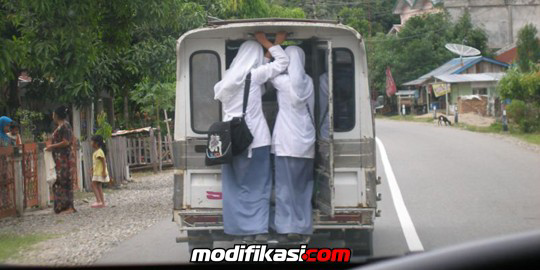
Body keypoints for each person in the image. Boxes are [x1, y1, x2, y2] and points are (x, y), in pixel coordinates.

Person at [213, 31, 289, 243]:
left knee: (235, 188)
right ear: (255, 58)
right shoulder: (255, 77)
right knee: (259, 186)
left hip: (231, 141)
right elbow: (283, 62)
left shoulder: (228, 78)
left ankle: (242, 231)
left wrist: (264, 53)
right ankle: (259, 230)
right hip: (256, 141)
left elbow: (253, 91)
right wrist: (270, 43)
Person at [269, 46, 316, 243]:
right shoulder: (309, 82)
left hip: (286, 141)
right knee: (303, 187)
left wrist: (273, 48)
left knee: (284, 188)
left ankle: (287, 226)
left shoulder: (283, 82)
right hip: (306, 141)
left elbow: (268, 70)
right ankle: (303, 224)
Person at [45, 106, 77, 214]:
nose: (52, 116)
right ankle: (61, 206)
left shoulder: (65, 126)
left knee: (65, 181)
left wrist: (53, 146)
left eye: (54, 114)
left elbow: (66, 142)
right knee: (58, 181)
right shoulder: (60, 126)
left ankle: (69, 207)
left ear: (57, 115)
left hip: (65, 158)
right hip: (59, 158)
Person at [90, 135, 109, 208]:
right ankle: (102, 202)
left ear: (96, 143)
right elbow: (97, 162)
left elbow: (103, 161)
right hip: (98, 171)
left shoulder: (99, 152)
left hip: (99, 172)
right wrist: (92, 168)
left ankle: (98, 201)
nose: (91, 143)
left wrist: (104, 171)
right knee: (98, 185)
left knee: (93, 185)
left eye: (92, 141)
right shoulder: (97, 152)